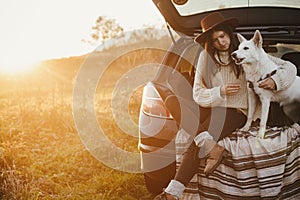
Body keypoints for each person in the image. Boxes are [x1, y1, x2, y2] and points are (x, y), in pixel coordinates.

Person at [154, 12, 297, 200]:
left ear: (229, 33)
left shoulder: (248, 52)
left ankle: (172, 193)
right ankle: (212, 147)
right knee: (171, 101)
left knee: (196, 142)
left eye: (223, 36)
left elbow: (290, 67)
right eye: (215, 40)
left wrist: (275, 80)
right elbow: (198, 93)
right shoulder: (206, 58)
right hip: (214, 106)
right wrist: (219, 91)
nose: (221, 42)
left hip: (236, 112)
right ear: (210, 43)